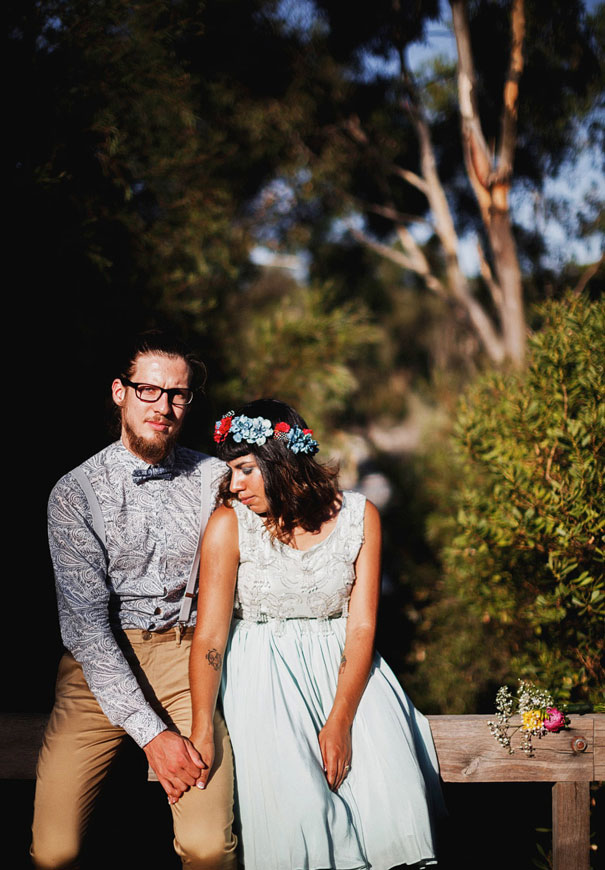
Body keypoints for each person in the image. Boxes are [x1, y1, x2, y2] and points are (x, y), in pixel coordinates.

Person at [189, 398, 443, 870]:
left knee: (389, 795)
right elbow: (209, 638)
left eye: (245, 469)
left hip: (348, 673)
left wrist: (341, 720)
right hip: (263, 679)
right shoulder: (228, 525)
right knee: (301, 815)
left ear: (282, 460)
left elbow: (363, 624)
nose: (235, 484)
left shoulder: (360, 517)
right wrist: (203, 726)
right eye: (231, 471)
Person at [31, 332, 238, 870]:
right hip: (96, 670)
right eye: (149, 391)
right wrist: (154, 738)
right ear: (120, 393)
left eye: (178, 395)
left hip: (187, 657)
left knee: (208, 847)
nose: (164, 407)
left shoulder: (214, 479)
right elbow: (86, 630)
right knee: (55, 852)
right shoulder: (74, 493)